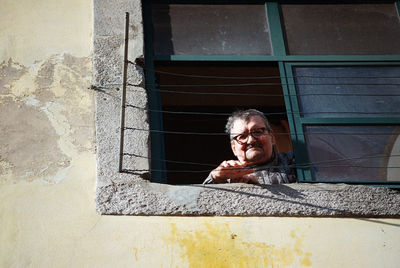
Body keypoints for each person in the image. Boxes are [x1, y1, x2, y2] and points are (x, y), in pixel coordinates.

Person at [203, 109, 296, 185]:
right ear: (234, 148)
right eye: (242, 136)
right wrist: (215, 177)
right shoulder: (229, 178)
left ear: (272, 138)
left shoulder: (296, 161)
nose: (251, 140)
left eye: (258, 132)